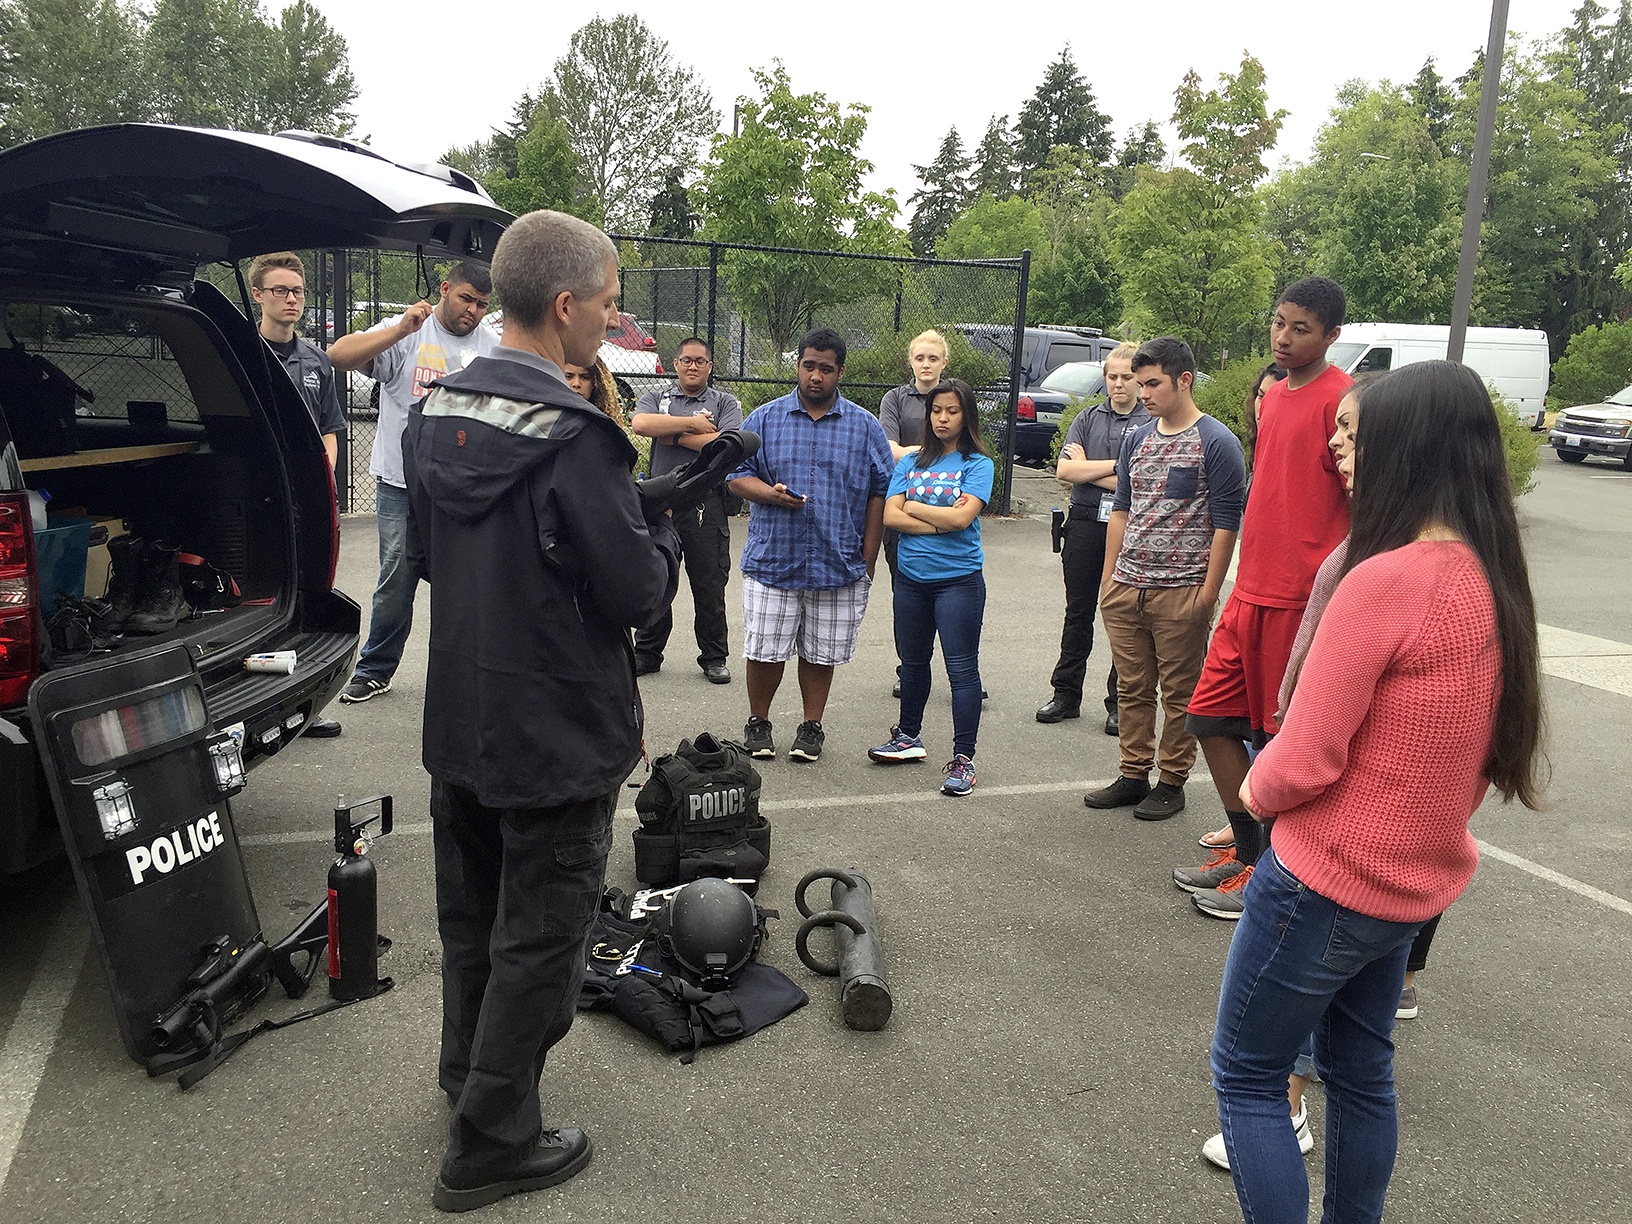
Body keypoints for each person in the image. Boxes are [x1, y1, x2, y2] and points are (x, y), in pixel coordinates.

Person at [1211, 360, 1544, 1224]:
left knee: (1247, 1079)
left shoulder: (1385, 579)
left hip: (1322, 884)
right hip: (1407, 889)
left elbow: (1305, 756)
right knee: (1362, 1075)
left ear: (1412, 448)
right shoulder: (1490, 579)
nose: (1336, 448)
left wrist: (1253, 787)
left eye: (1357, 435)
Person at [401, 209, 681, 1212]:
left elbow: (428, 558)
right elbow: (637, 598)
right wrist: (660, 530)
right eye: (608, 302)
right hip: (558, 730)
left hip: (462, 720)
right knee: (541, 938)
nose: (612, 318)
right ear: (565, 306)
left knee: (473, 920)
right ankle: (491, 1141)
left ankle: (468, 1077)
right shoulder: (578, 438)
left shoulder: (436, 412)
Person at [1184, 279, 1352, 914]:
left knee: (1279, 743)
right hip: (1248, 592)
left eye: (1300, 328)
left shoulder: (1346, 402)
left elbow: (1363, 502)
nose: (1283, 337)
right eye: (1279, 323)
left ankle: (1274, 877)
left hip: (1300, 601)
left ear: (1331, 336)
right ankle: (1250, 853)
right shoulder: (1273, 397)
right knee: (1210, 720)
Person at [1083, 337, 1245, 821]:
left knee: (1180, 692)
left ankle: (1171, 780)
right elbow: (1122, 510)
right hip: (1128, 587)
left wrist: (1208, 593)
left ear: (1184, 380)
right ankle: (1133, 774)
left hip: (1182, 591)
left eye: (1153, 383)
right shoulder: (1137, 438)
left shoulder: (1216, 442)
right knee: (1132, 688)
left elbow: (1227, 520)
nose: (1143, 392)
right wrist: (1110, 580)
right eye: (1139, 382)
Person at [328, 263, 498, 704]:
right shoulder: (408, 330)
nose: (474, 311)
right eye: (466, 299)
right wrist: (402, 328)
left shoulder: (491, 346)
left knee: (465, 584)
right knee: (397, 580)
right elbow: (338, 355)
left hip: (461, 486)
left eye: (482, 304)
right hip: (401, 483)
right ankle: (375, 669)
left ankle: (469, 675)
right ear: (444, 290)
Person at [727, 327, 894, 763]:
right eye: (808, 366)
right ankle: (758, 722)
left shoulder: (865, 427)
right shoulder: (764, 419)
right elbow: (735, 475)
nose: (815, 376)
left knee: (821, 651)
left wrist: (869, 556)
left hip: (837, 562)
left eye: (826, 368)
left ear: (840, 371)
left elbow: (881, 490)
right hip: (773, 559)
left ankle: (810, 727)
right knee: (764, 648)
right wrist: (769, 494)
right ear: (797, 366)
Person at [866, 378, 993, 796]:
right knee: (914, 663)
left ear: (965, 415)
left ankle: (963, 759)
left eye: (952, 411)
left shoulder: (977, 465)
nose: (942, 418)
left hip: (958, 582)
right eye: (936, 411)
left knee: (961, 670)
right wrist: (939, 514)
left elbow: (961, 521)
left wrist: (915, 508)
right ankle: (907, 737)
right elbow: (889, 516)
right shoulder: (910, 462)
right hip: (911, 580)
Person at [248, 251, 344, 738]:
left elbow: (330, 428)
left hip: (305, 500)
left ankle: (303, 703)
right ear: (258, 296)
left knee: (306, 598)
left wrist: (319, 479)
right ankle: (251, 701)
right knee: (258, 597)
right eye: (281, 290)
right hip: (257, 497)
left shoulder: (316, 361)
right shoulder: (243, 354)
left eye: (298, 291)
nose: (291, 299)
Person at [1036, 341, 1148, 734]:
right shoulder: (1086, 418)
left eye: (1127, 377)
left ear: (1139, 379)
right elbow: (1064, 473)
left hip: (1132, 525)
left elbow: (1137, 481)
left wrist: (1092, 469)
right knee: (1078, 611)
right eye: (1112, 377)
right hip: (1083, 523)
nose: (1119, 384)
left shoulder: (1150, 422)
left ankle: (1120, 702)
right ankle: (1066, 695)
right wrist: (1116, 470)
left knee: (1124, 615)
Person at [629, 337, 744, 684]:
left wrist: (674, 434)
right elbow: (642, 426)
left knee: (709, 582)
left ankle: (713, 657)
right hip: (661, 501)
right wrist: (695, 426)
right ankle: (647, 652)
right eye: (685, 360)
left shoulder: (724, 402)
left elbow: (727, 444)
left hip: (705, 502)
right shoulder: (657, 397)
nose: (692, 366)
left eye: (700, 361)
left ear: (709, 366)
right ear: (675, 364)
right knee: (657, 577)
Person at [878, 330, 951, 698]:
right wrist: (938, 459)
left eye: (933, 358)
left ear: (944, 362)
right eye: (920, 358)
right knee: (905, 593)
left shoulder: (954, 397)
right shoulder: (894, 399)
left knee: (953, 592)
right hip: (903, 506)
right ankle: (908, 668)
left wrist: (913, 454)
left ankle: (960, 670)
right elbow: (890, 450)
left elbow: (966, 450)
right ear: (911, 361)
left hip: (950, 512)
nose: (926, 364)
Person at [563, 357, 626, 428]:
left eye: (585, 377)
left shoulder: (604, 422)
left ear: (595, 382)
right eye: (568, 377)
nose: (576, 384)